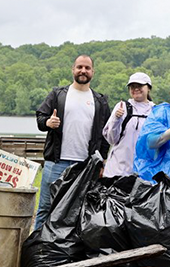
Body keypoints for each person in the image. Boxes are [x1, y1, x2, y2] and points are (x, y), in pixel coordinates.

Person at [34, 54, 110, 230]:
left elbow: (105, 135)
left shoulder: (100, 101)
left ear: (93, 72)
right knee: (45, 208)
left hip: (85, 166)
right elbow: (40, 118)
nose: (83, 71)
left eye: (87, 68)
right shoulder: (58, 94)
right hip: (56, 162)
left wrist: (102, 162)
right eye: (79, 67)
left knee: (80, 210)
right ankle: (36, 251)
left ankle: (70, 252)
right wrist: (47, 123)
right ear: (73, 70)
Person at [102, 72, 155, 177]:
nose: (136, 89)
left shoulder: (155, 111)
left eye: (139, 86)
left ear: (148, 88)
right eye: (132, 86)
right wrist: (116, 119)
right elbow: (112, 139)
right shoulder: (122, 107)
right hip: (117, 171)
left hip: (143, 173)